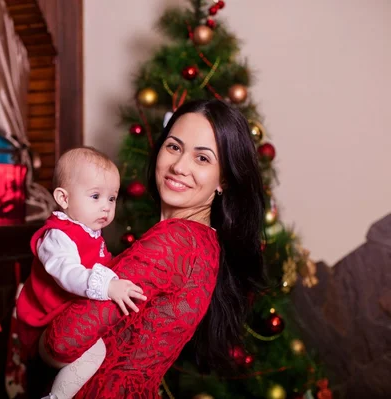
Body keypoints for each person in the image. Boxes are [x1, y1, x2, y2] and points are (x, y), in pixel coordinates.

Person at [36, 99, 266, 398]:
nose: (179, 166)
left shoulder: (174, 242)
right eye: (174, 147)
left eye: (202, 158)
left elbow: (61, 343)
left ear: (223, 180)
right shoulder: (204, 242)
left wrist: (38, 339)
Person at [16, 147, 147, 399]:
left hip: (71, 313)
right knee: (95, 352)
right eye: (96, 196)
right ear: (63, 199)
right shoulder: (57, 236)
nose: (106, 207)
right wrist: (107, 286)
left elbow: (105, 264)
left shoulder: (89, 232)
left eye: (112, 198)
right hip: (46, 320)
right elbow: (68, 274)